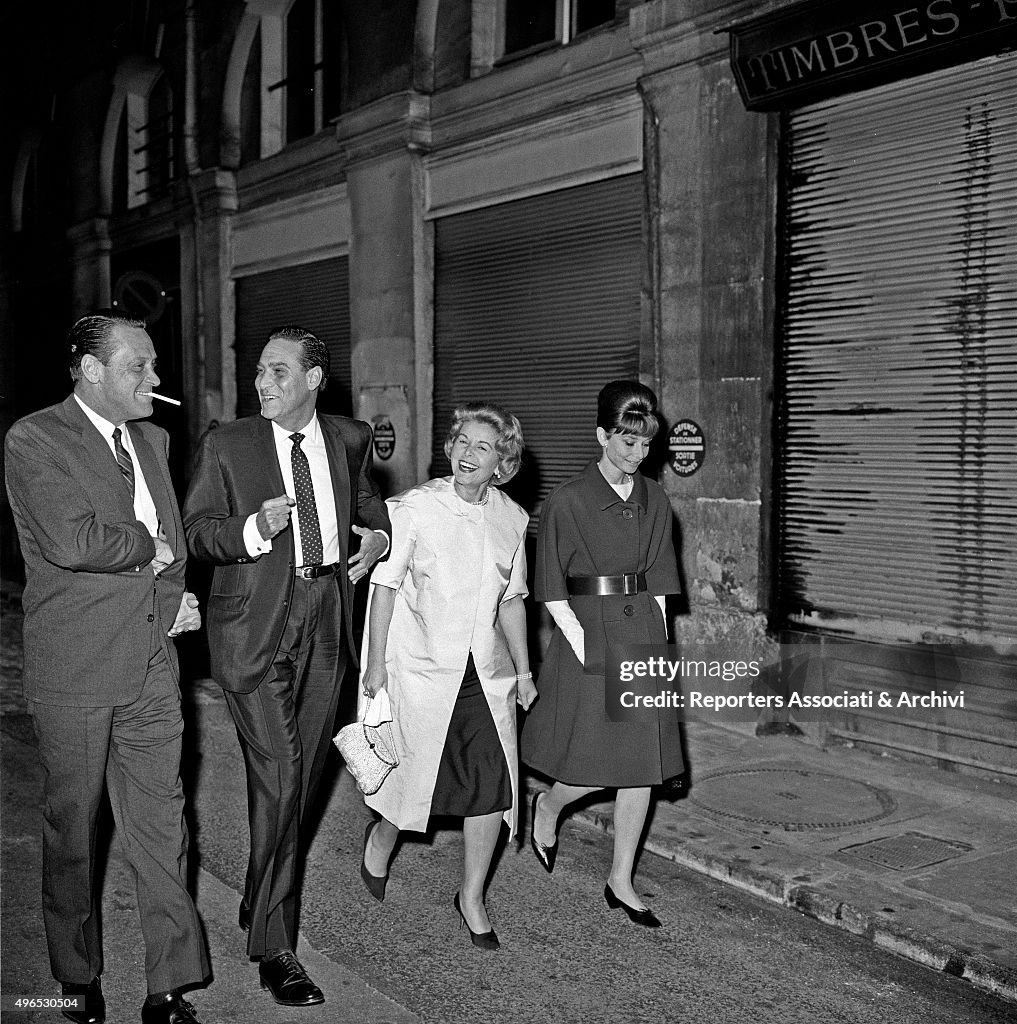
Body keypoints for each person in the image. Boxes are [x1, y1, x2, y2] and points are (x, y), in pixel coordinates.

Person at [4, 312, 211, 1024]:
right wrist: (146, 548)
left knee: (163, 826)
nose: (156, 379)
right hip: (77, 668)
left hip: (152, 660)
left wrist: (175, 593)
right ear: (91, 370)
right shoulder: (35, 438)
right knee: (74, 829)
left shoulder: (153, 438)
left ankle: (169, 985)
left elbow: (174, 543)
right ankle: (74, 973)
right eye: (138, 367)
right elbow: (70, 539)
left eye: (153, 366)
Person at [182, 326, 390, 1005]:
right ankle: (275, 945)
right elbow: (196, 532)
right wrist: (252, 530)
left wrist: (378, 534)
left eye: (277, 372)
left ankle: (258, 890)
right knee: (283, 769)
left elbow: (364, 503)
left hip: (326, 611)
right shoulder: (227, 444)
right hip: (254, 627)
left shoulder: (349, 437)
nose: (263, 384)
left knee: (298, 781)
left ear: (313, 379)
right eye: (260, 373)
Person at [358, 402, 535, 951]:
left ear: (502, 462)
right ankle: (382, 838)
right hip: (420, 670)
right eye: (461, 440)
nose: (465, 452)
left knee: (493, 785)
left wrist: (526, 670)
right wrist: (374, 667)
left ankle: (472, 895)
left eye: (482, 446)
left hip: (485, 674)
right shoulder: (411, 508)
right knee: (414, 779)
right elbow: (383, 588)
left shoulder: (513, 519)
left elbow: (512, 602)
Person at [521, 379, 681, 928]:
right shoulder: (567, 501)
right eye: (626, 443)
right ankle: (550, 804)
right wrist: (582, 640)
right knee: (598, 758)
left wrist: (656, 640)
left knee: (643, 766)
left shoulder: (655, 498)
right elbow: (550, 587)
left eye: (645, 445)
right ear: (601, 435)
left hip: (640, 633)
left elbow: (660, 578)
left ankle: (620, 880)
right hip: (587, 631)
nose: (637, 455)